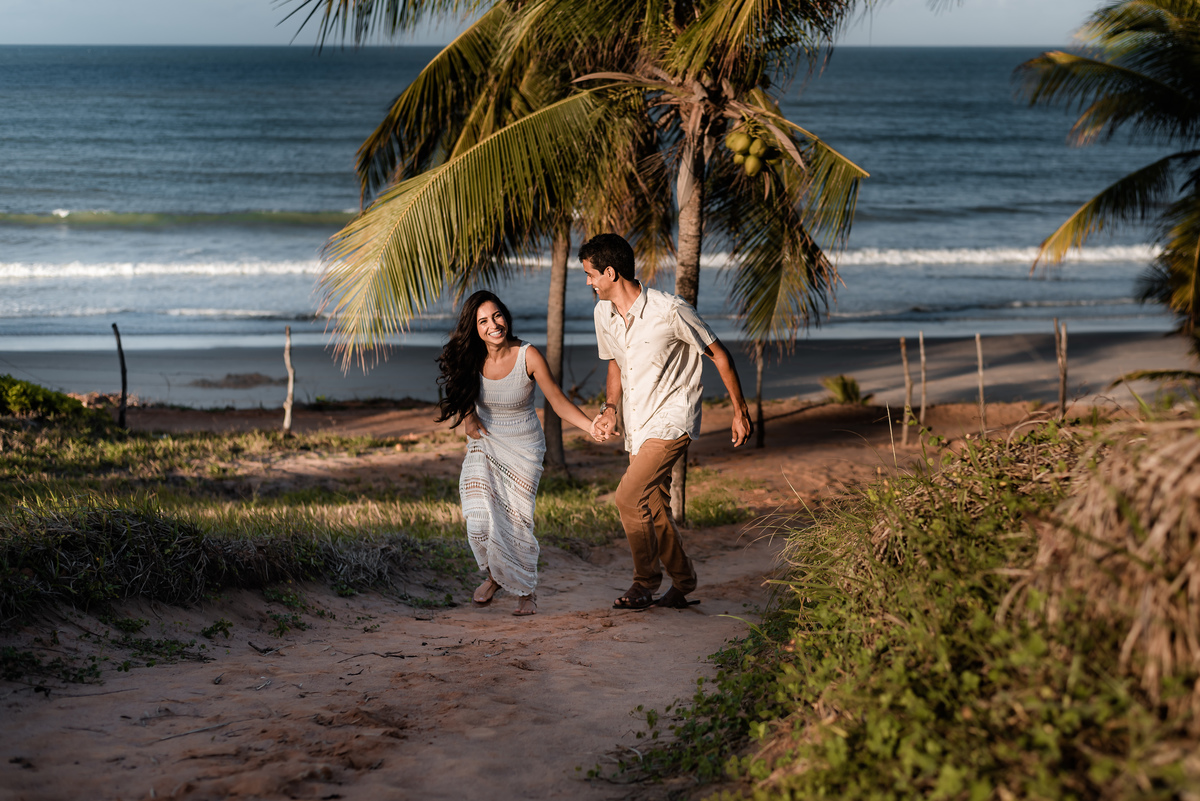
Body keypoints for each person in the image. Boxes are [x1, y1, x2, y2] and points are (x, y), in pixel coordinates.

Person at [583, 233, 753, 610]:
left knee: (628, 496)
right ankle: (684, 581)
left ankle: (644, 583)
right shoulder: (603, 313)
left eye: (591, 275)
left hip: (673, 421)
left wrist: (740, 412)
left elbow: (719, 354)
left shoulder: (670, 310)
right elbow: (615, 361)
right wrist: (611, 407)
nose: (589, 283)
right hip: (637, 423)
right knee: (654, 506)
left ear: (610, 273)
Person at [436, 290, 599, 617]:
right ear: (475, 328)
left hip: (524, 448)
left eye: (497, 315)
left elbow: (557, 401)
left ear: (505, 316)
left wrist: (590, 426)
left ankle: (526, 592)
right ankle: (496, 577)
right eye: (483, 320)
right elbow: (459, 386)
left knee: (517, 522)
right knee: (479, 523)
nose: (493, 324)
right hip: (484, 444)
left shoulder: (528, 356)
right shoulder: (471, 357)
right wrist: (468, 416)